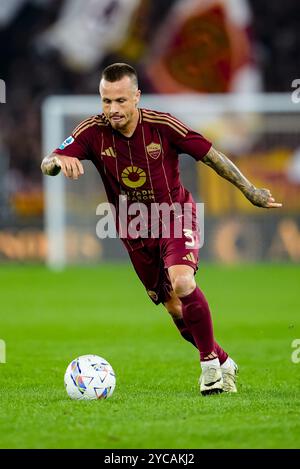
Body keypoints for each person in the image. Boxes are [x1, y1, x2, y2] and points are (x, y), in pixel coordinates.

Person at [41, 63, 282, 395]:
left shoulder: (163, 125)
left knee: (182, 281)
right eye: (106, 101)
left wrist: (250, 190)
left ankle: (210, 365)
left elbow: (213, 157)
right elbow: (49, 161)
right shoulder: (91, 131)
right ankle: (224, 360)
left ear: (136, 97)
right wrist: (57, 162)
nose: (113, 109)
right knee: (174, 308)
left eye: (121, 101)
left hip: (175, 216)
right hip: (134, 230)